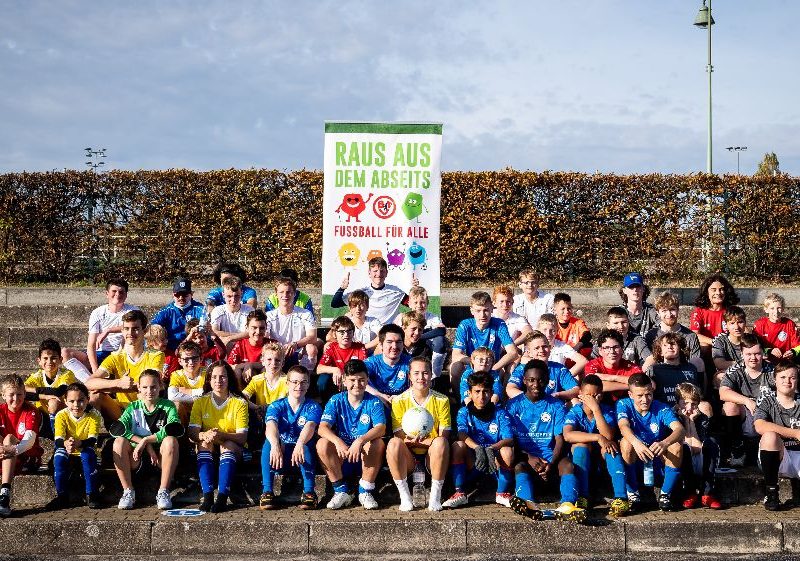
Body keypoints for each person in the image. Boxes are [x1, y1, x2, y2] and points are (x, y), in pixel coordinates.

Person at [507, 360, 585, 522]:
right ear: (524, 381)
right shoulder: (513, 405)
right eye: (531, 380)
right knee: (519, 465)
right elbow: (511, 439)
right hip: (526, 458)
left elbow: (560, 439)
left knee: (568, 465)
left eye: (541, 380)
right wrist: (529, 457)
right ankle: (527, 503)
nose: (536, 384)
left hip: (551, 460)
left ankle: (567, 505)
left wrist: (552, 463)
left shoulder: (556, 405)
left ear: (548, 380)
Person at [317, 359, 386, 510]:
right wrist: (337, 441)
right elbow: (322, 428)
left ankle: (365, 491)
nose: (357, 384)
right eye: (352, 380)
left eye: (361, 380)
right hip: (342, 456)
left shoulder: (373, 401)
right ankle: (341, 491)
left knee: (377, 442)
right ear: (344, 380)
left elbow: (381, 428)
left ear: (367, 380)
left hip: (365, 457)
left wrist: (360, 441)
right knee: (322, 443)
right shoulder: (336, 400)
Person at [442, 370, 515, 509]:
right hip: (474, 460)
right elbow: (461, 434)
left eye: (485, 391)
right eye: (477, 391)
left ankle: (501, 493)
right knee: (458, 445)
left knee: (507, 450)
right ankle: (460, 493)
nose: (481, 396)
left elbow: (509, 439)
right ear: (469, 393)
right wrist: (478, 448)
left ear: (491, 393)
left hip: (494, 462)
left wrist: (491, 448)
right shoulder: (463, 412)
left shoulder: (500, 413)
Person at [112, 369, 182, 510]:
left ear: (160, 386)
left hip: (160, 458)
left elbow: (174, 428)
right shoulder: (133, 407)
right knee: (118, 442)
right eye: (145, 387)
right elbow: (117, 429)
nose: (149, 391)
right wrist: (143, 443)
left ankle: (163, 492)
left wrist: (146, 440)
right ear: (139, 387)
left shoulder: (168, 406)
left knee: (171, 441)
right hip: (136, 457)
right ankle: (128, 491)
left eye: (153, 387)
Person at [387, 356, 451, 511]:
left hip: (432, 455)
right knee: (393, 444)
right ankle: (405, 496)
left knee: (441, 443)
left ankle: (435, 496)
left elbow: (443, 436)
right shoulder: (399, 401)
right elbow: (399, 436)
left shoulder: (442, 400)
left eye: (425, 373)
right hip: (408, 455)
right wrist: (418, 442)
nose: (421, 377)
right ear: (409, 376)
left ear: (431, 374)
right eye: (416, 373)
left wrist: (421, 442)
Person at [562, 374, 630, 517]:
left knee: (611, 447)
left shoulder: (607, 410)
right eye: (588, 396)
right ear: (580, 394)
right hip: (582, 459)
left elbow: (609, 436)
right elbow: (568, 435)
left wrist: (596, 410)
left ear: (601, 395)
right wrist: (597, 437)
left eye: (595, 396)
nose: (592, 399)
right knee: (581, 446)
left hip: (602, 458)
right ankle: (582, 497)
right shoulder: (575, 411)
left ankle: (621, 498)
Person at [617, 373, 684, 512]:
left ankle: (665, 495)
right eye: (640, 396)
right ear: (630, 395)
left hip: (656, 458)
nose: (645, 399)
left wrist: (665, 443)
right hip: (636, 458)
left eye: (648, 394)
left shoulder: (661, 407)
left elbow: (680, 429)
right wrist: (636, 443)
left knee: (676, 445)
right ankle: (633, 494)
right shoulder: (623, 404)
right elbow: (623, 426)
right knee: (626, 443)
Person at [188, 361, 249, 513]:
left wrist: (221, 435)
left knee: (227, 444)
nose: (218, 380)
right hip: (210, 449)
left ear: (229, 379)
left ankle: (222, 498)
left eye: (222, 377)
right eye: (214, 377)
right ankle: (208, 497)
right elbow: (192, 433)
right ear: (209, 379)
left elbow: (242, 438)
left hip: (233, 450)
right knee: (203, 443)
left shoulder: (239, 402)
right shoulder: (200, 401)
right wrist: (204, 434)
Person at [260, 365, 322, 510]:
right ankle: (267, 492)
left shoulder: (313, 406)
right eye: (294, 382)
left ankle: (309, 492)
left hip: (302, 457)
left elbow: (310, 426)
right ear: (287, 383)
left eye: (303, 382)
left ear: (308, 384)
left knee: (306, 445)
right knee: (269, 443)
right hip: (280, 457)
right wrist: (275, 445)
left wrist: (299, 444)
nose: (299, 386)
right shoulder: (276, 405)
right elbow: (270, 425)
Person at [86, 309, 165, 423]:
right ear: (122, 331)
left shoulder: (155, 355)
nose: (130, 333)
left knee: (143, 395)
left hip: (147, 410)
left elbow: (150, 385)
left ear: (144, 331)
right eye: (126, 329)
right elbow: (89, 383)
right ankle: (92, 434)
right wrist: (118, 383)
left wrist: (110, 388)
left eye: (135, 329)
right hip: (121, 411)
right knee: (95, 395)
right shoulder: (115, 357)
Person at [61, 278, 137, 380]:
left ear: (126, 295)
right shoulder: (98, 312)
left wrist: (108, 330)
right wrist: (95, 369)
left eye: (121, 292)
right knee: (65, 353)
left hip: (122, 353)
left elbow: (133, 326)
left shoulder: (133, 311)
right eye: (114, 291)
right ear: (107, 294)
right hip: (101, 353)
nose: (117, 294)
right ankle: (89, 382)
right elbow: (91, 344)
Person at [719, 334, 776, 466]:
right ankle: (737, 450)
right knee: (729, 406)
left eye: (757, 354)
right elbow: (723, 392)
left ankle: (766, 451)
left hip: (767, 415)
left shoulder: (772, 371)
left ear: (763, 353)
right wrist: (747, 401)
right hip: (746, 413)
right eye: (748, 354)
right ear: (742, 354)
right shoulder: (736, 369)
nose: (753, 358)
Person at [450, 291, 519, 398]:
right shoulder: (465, 325)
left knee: (512, 366)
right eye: (478, 311)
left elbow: (513, 352)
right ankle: (460, 401)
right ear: (472, 311)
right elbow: (456, 355)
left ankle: (505, 401)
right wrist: (476, 363)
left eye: (486, 310)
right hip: (472, 365)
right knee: (455, 367)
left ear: (492, 309)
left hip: (493, 366)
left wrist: (494, 367)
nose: (482, 315)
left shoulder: (499, 324)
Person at [47, 382, 102, 510]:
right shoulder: (61, 415)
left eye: (81, 400)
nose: (76, 405)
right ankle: (62, 496)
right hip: (68, 450)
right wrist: (66, 443)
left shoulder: (94, 415)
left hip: (85, 449)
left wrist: (79, 443)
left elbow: (92, 440)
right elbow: (58, 440)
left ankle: (91, 494)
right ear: (65, 401)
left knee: (88, 455)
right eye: (71, 401)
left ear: (88, 399)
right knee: (59, 457)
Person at [754, 359, 800, 511]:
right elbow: (759, 426)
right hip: (778, 457)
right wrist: (795, 433)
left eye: (792, 377)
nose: (787, 381)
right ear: (775, 379)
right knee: (769, 436)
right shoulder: (767, 400)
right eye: (783, 377)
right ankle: (771, 493)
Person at [0, 374, 43, 518]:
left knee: (9, 438)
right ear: (3, 395)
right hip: (5, 455)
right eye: (11, 394)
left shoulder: (31, 411)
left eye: (19, 394)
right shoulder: (0, 410)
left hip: (28, 457)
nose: (16, 398)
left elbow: (29, 440)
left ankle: (4, 495)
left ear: (25, 394)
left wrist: (12, 449)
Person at [674, 382, 721, 510]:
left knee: (711, 443)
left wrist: (690, 422)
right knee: (684, 447)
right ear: (678, 403)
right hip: (682, 461)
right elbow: (687, 446)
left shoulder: (701, 417)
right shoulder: (673, 416)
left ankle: (707, 494)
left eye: (693, 404)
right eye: (685, 403)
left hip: (700, 459)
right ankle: (690, 493)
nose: (689, 408)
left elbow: (697, 448)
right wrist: (685, 420)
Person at [331, 256, 414, 325]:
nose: (379, 274)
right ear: (369, 273)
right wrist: (342, 288)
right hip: (367, 331)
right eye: (375, 271)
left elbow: (414, 304)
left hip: (388, 333)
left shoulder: (396, 292)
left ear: (386, 273)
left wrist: (415, 289)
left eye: (382, 271)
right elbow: (335, 303)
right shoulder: (362, 293)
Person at [506, 332, 579, 403]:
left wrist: (558, 395)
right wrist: (533, 398)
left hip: (552, 406)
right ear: (529, 352)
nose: (541, 350)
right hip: (530, 406)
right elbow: (510, 389)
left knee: (575, 401)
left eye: (544, 346)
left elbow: (576, 390)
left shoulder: (559, 368)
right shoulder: (522, 369)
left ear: (550, 348)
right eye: (536, 348)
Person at [644, 291, 704, 375]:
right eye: (664, 310)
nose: (669, 314)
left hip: (684, 375)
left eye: (672, 309)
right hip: (659, 375)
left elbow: (695, 363)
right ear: (658, 313)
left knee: (698, 361)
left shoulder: (690, 336)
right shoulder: (651, 335)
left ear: (678, 310)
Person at [25, 338, 77, 435]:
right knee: (19, 400)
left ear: (60, 360)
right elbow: (21, 391)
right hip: (43, 417)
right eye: (45, 358)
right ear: (39, 361)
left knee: (53, 402)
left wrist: (36, 391)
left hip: (63, 416)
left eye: (53, 358)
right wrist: (44, 396)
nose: (49, 362)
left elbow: (59, 391)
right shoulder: (36, 376)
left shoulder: (66, 374)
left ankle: (58, 436)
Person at [241, 343, 289, 447]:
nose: (273, 363)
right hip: (261, 415)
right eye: (269, 359)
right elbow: (242, 396)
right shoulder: (257, 379)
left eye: (277, 360)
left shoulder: (287, 381)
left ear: (283, 363)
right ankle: (250, 446)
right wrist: (255, 407)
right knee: (245, 409)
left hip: (279, 417)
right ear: (262, 361)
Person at [394, 286, 448, 377]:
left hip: (425, 348)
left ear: (427, 303)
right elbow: (394, 333)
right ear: (409, 303)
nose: (419, 305)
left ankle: (435, 374)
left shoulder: (432, 318)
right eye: (415, 302)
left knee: (440, 340)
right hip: (406, 347)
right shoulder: (402, 317)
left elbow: (441, 331)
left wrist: (419, 337)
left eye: (422, 302)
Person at [265, 277, 318, 371]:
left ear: (294, 294)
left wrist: (295, 344)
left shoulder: (306, 313)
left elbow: (313, 337)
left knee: (311, 348)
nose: (285, 295)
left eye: (289, 292)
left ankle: (306, 375)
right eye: (281, 292)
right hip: (277, 353)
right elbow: (265, 337)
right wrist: (278, 348)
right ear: (276, 294)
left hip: (298, 351)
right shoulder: (269, 315)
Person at [646, 332, 708, 411]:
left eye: (673, 344)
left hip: (688, 408)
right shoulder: (654, 370)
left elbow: (700, 393)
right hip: (664, 410)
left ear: (680, 348)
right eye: (665, 345)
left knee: (705, 406)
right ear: (660, 351)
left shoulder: (691, 368)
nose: (669, 347)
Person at [317, 315, 367, 401]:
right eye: (342, 332)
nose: (346, 335)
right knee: (322, 381)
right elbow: (319, 369)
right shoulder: (331, 347)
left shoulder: (360, 348)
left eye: (349, 331)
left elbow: (364, 369)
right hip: (337, 380)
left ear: (353, 333)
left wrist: (346, 376)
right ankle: (326, 403)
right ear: (335, 334)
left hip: (354, 380)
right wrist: (335, 370)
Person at [151, 277, 206, 352]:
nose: (181, 298)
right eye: (177, 295)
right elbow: (152, 328)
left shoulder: (200, 309)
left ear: (191, 294)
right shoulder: (166, 311)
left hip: (194, 350)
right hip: (171, 349)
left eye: (185, 294)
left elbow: (206, 323)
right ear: (173, 295)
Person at [584, 329, 643, 398]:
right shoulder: (593, 365)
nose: (612, 351)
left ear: (622, 349)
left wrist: (612, 378)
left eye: (616, 347)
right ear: (600, 351)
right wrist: (631, 385)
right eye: (607, 348)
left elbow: (648, 383)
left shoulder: (629, 366)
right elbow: (592, 386)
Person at [690, 273, 740, 351]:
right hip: (707, 350)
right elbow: (694, 335)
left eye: (721, 289)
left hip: (727, 350)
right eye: (713, 290)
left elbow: (742, 330)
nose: (718, 293)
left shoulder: (731, 311)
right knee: (703, 345)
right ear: (707, 292)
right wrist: (715, 342)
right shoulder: (699, 312)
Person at [365, 324, 412, 405]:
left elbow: (420, 384)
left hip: (404, 404)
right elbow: (356, 379)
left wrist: (400, 398)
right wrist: (379, 395)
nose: (394, 346)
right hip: (376, 404)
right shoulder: (371, 363)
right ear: (381, 345)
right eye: (389, 342)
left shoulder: (411, 362)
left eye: (398, 342)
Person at [168, 340, 208, 426]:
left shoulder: (208, 373)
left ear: (201, 358)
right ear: (180, 361)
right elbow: (172, 396)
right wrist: (199, 394)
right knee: (176, 405)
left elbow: (212, 395)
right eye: (186, 359)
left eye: (194, 358)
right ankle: (181, 432)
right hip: (186, 415)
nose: (191, 363)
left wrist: (188, 391)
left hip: (205, 413)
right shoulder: (176, 375)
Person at [226, 310, 273, 384]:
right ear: (247, 328)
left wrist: (251, 365)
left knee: (266, 370)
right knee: (237, 372)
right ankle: (240, 392)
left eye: (262, 328)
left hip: (265, 384)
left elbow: (275, 363)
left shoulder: (271, 344)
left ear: (266, 328)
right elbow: (229, 365)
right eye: (254, 328)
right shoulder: (240, 345)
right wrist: (246, 365)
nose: (258, 332)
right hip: (243, 381)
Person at [209, 276, 255, 347]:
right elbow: (215, 332)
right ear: (223, 295)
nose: (233, 300)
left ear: (241, 294)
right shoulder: (217, 311)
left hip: (244, 347)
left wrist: (229, 338)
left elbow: (252, 332)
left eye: (236, 296)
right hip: (225, 347)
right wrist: (240, 335)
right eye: (229, 296)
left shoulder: (249, 310)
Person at [753, 293, 800, 361]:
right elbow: (754, 346)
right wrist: (769, 351)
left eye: (779, 308)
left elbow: (798, 346)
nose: (776, 311)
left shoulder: (789, 324)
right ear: (766, 309)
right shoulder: (759, 325)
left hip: (785, 362)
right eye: (772, 308)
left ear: (783, 309)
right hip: (766, 362)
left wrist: (793, 352)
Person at [618, 273, 659, 338]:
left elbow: (663, 325)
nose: (635, 290)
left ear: (643, 289)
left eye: (638, 286)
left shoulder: (651, 310)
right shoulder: (618, 311)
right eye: (631, 287)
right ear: (624, 290)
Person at [340, 289, 381, 353]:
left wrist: (364, 347)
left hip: (370, 354)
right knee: (328, 345)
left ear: (367, 307)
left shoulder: (373, 321)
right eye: (354, 306)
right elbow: (329, 337)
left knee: (381, 346)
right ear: (350, 308)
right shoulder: (345, 321)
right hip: (350, 352)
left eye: (361, 305)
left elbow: (383, 335)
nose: (358, 309)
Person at [712, 306, 747, 376]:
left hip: (749, 373)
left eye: (740, 322)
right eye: (732, 323)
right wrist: (746, 363)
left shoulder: (752, 339)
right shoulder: (720, 340)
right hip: (728, 373)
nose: (736, 327)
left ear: (745, 323)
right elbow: (720, 364)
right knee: (720, 377)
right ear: (726, 325)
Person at [553, 292, 591, 357]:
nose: (566, 311)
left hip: (575, 355)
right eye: (563, 309)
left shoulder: (578, 322)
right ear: (555, 310)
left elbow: (587, 335)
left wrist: (578, 346)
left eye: (569, 308)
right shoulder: (552, 324)